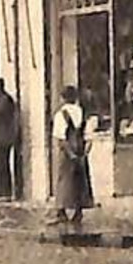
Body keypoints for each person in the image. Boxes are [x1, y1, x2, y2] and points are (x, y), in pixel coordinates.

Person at [52, 86, 93, 229]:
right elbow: (89, 136)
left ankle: (61, 210)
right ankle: (78, 210)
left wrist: (70, 154)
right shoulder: (82, 113)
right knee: (80, 180)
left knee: (64, 179)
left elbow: (60, 139)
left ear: (63, 98)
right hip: (81, 148)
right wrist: (84, 153)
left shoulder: (61, 114)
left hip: (68, 150)